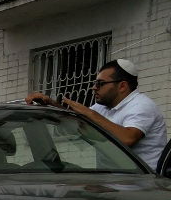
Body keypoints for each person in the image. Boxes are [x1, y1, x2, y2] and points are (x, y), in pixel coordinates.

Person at [25, 58, 168, 170]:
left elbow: (127, 138)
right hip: (109, 182)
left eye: (100, 83)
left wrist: (90, 113)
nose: (94, 88)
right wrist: (50, 103)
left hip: (142, 186)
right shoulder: (102, 107)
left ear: (122, 86)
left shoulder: (141, 105)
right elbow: (76, 121)